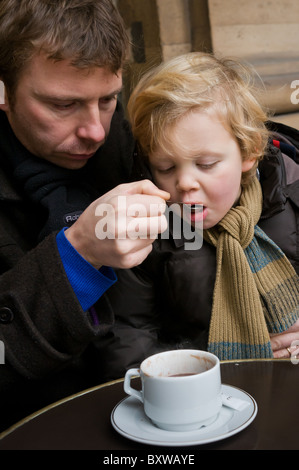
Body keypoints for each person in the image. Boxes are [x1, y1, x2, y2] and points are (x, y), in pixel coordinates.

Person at [0, 0, 169, 432]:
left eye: (108, 99)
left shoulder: (132, 139)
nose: (95, 130)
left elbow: (191, 242)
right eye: (62, 105)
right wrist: (75, 256)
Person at [94, 52, 299, 381]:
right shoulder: (147, 230)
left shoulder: (292, 195)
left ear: (248, 152)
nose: (185, 183)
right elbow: (127, 341)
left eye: (205, 164)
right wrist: (218, 360)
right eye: (166, 167)